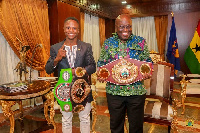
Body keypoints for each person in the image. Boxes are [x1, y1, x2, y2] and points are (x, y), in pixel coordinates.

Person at [97, 14, 152, 133]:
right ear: (116, 27)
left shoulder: (140, 42)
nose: (125, 30)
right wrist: (101, 73)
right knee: (116, 127)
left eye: (128, 26)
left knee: (136, 127)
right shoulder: (108, 43)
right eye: (121, 27)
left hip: (136, 91)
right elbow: (101, 63)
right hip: (114, 92)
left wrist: (147, 71)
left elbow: (148, 62)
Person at [45, 17, 96, 133]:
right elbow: (48, 69)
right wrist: (57, 59)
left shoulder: (86, 47)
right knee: (66, 120)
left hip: (82, 89)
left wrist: (77, 71)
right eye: (68, 28)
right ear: (64, 29)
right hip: (64, 90)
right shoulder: (56, 48)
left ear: (78, 30)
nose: (71, 30)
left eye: (74, 28)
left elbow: (92, 66)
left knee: (85, 118)